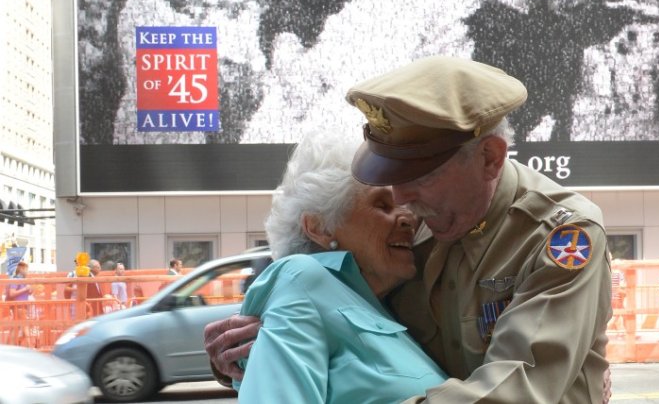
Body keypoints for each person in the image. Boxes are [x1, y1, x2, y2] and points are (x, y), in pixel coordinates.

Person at [206, 56, 612, 403]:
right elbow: (353, 328)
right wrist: (262, 349)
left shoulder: (559, 237)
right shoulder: (413, 234)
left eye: (420, 175)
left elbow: (519, 387)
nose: (401, 198)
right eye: (390, 177)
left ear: (489, 158)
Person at [235, 132, 446, 403]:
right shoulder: (300, 280)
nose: (409, 218)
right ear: (319, 228)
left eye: (403, 205)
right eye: (382, 205)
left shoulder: (383, 302)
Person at [609, 257, 627, 335]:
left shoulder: (611, 273)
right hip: (618, 297)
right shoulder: (619, 274)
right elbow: (622, 285)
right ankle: (606, 329)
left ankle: (622, 332)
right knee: (617, 315)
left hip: (612, 296)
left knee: (620, 314)